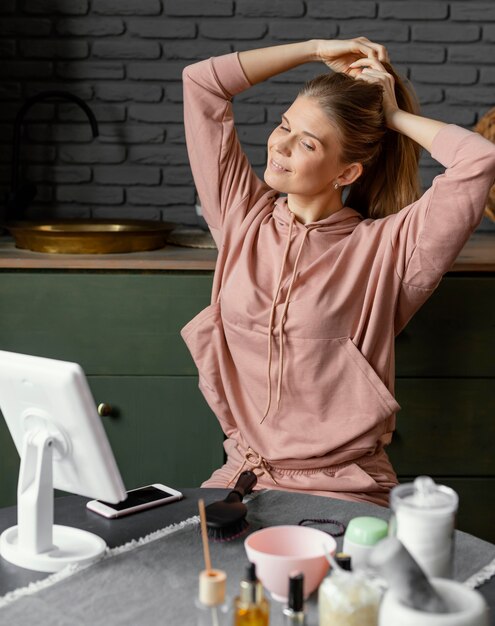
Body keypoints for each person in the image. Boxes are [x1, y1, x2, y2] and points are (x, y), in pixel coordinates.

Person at [181, 38, 495, 506]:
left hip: (345, 485)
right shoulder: (240, 218)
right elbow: (202, 83)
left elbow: (480, 159)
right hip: (244, 473)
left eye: (306, 143)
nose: (280, 146)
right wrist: (313, 49)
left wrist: (392, 116)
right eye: (284, 126)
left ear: (346, 173)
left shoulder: (388, 249)